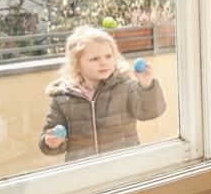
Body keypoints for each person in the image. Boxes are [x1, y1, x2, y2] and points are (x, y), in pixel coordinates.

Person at [38, 26, 167, 162]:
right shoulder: (62, 99)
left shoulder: (124, 87)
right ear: (76, 64)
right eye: (94, 59)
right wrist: (51, 141)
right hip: (83, 171)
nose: (103, 62)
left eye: (108, 56)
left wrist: (146, 86)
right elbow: (49, 137)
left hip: (124, 165)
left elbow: (150, 113)